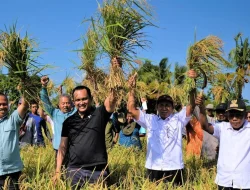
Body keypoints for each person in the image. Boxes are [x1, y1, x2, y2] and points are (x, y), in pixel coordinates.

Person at [127, 70, 196, 185]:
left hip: (174, 167)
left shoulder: (179, 119)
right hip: (153, 167)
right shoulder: (150, 120)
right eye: (161, 105)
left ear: (172, 107)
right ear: (157, 107)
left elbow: (192, 105)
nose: (164, 108)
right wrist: (131, 90)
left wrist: (192, 83)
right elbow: (132, 110)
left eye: (167, 105)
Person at [53, 85, 118, 188]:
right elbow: (63, 147)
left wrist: (115, 79)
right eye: (78, 100)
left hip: (97, 170)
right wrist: (57, 171)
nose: (81, 102)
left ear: (90, 99)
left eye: (84, 99)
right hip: (74, 171)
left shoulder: (99, 113)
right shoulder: (69, 122)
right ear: (73, 102)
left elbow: (111, 101)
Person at [196, 96, 250, 190]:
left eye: (238, 115)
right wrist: (201, 108)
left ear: (245, 115)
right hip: (224, 180)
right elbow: (205, 126)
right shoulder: (222, 127)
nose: (234, 118)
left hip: (244, 182)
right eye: (231, 115)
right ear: (227, 115)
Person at [40, 76, 76, 162]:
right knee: (59, 171)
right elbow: (45, 102)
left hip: (73, 149)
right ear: (59, 105)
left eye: (67, 103)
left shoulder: (75, 113)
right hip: (58, 149)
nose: (65, 105)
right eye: (63, 103)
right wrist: (44, 87)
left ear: (71, 104)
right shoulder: (55, 113)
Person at [0, 93, 29, 190]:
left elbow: (24, 105)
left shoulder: (12, 120)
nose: (2, 107)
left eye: (4, 104)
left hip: (12, 173)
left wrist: (26, 86)